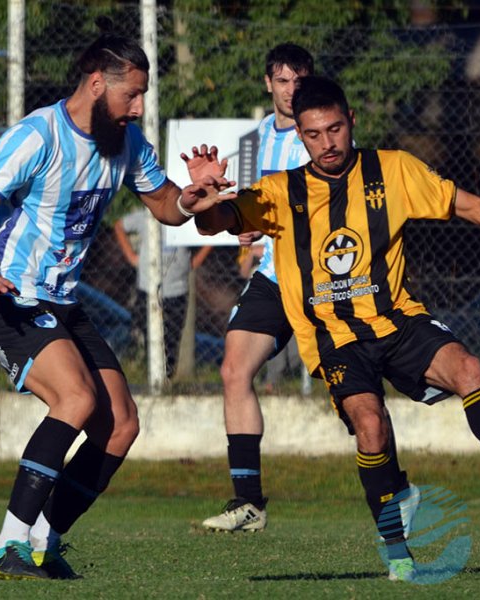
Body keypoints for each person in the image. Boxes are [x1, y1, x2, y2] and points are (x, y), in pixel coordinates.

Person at [187, 75, 480, 581]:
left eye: (335, 129)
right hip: (335, 340)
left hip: (398, 320)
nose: (327, 143)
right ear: (299, 135)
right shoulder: (281, 191)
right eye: (314, 134)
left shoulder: (395, 169)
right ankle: (397, 551)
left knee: (469, 368)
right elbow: (220, 223)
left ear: (351, 122)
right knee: (371, 426)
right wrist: (204, 199)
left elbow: (476, 209)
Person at [0, 21, 232, 581]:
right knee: (75, 399)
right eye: (134, 94)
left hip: (62, 306)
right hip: (9, 301)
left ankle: (44, 542)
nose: (140, 106)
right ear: (98, 83)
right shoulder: (38, 136)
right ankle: (8, 545)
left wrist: (195, 198)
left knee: (121, 424)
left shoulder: (125, 143)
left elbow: (166, 207)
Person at [199, 43, 314, 533]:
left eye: (298, 81)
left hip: (323, 276)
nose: (291, 90)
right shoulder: (252, 144)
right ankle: (248, 501)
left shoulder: (320, 136)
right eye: (282, 81)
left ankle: (396, 491)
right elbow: (245, 210)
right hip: (273, 277)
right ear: (268, 84)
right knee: (233, 369)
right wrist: (240, 224)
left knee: (358, 395)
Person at [113, 210, 212, 378]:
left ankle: (167, 377)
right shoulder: (146, 216)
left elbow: (211, 233)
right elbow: (119, 225)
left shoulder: (185, 217)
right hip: (148, 288)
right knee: (145, 334)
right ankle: (147, 372)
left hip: (176, 289)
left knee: (172, 339)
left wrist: (197, 260)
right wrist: (131, 256)